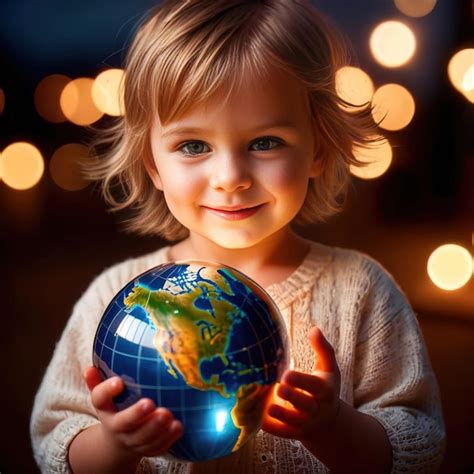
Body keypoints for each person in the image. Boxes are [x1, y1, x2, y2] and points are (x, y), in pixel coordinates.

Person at [30, 0, 446, 472]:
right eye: (193, 146)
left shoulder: (362, 291)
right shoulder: (114, 301)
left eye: (265, 142)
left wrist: (333, 427)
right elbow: (53, 442)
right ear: (153, 164)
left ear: (318, 148)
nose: (230, 176)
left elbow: (420, 446)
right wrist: (114, 444)